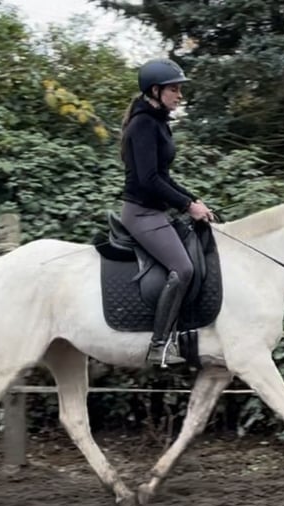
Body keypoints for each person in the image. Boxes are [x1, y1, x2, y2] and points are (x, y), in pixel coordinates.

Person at [118, 58, 215, 367]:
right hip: (141, 214)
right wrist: (187, 206)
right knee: (183, 269)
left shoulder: (157, 121)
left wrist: (194, 201)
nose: (180, 95)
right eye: (175, 89)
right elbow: (148, 180)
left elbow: (165, 177)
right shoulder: (143, 124)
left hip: (156, 212)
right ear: (156, 90)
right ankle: (159, 345)